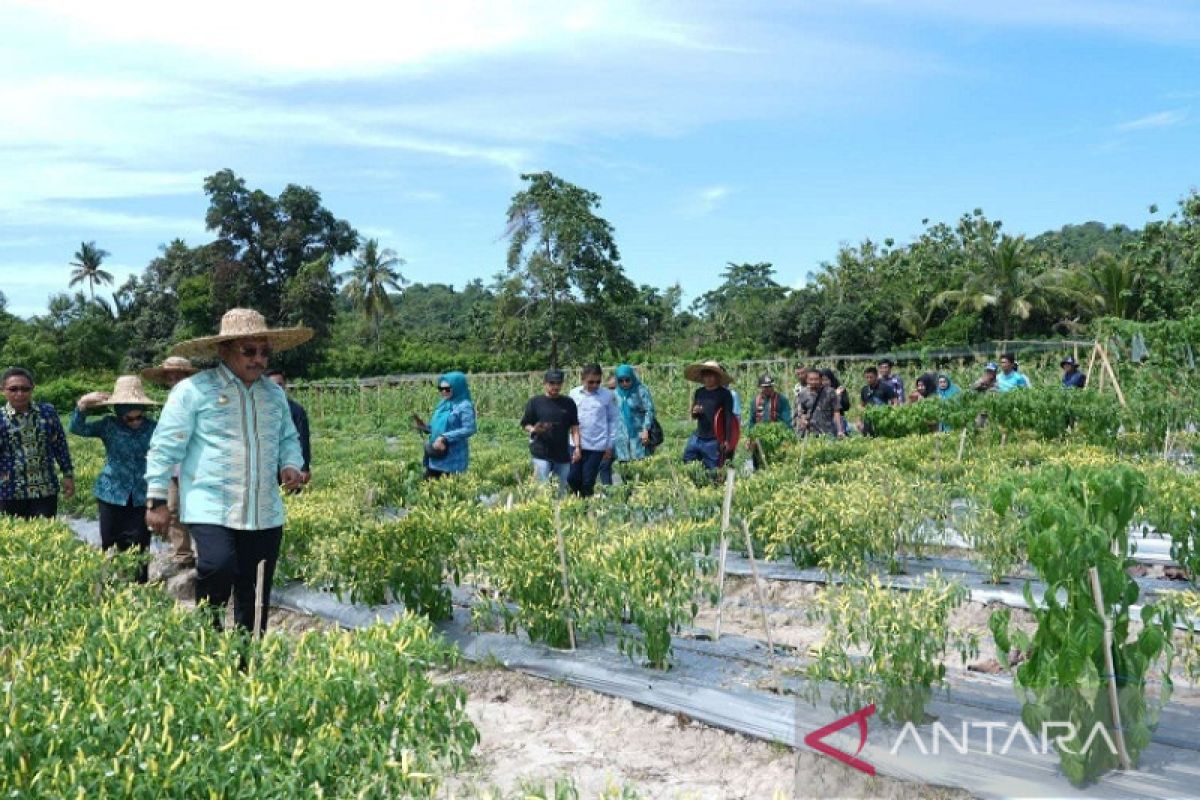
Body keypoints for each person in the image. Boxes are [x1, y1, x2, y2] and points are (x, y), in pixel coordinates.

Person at [144, 308, 308, 636]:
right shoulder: (193, 391)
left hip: (263, 510)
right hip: (211, 505)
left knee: (256, 586)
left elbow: (288, 437)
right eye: (249, 351)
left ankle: (247, 658)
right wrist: (157, 499)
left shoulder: (274, 394)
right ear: (224, 350)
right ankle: (211, 639)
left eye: (264, 352)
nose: (259, 359)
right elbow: (165, 447)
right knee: (216, 567)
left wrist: (291, 464)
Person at [70, 376, 158, 583]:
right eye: (129, 418)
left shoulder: (154, 427)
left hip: (141, 494)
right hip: (111, 493)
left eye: (139, 417)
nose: (136, 422)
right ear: (119, 412)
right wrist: (82, 405)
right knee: (109, 543)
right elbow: (77, 428)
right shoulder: (108, 425)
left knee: (140, 544)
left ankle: (140, 591)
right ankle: (108, 588)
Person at [141, 355, 199, 572]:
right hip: (174, 470)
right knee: (173, 510)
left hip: (195, 469)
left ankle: (208, 555)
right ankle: (183, 554)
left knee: (200, 511)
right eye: (170, 377)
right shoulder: (170, 402)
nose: (174, 380)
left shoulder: (196, 400)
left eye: (178, 376)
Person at [0, 367, 74, 519]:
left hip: (45, 488)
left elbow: (60, 445)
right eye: (13, 389)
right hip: (9, 490)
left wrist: (68, 475)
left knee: (45, 535)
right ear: (3, 390)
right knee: (13, 538)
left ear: (32, 389)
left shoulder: (47, 412)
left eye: (25, 389)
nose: (19, 394)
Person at [520, 369, 580, 490]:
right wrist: (534, 430)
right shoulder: (535, 402)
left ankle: (559, 508)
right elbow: (525, 423)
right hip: (541, 452)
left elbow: (574, 427)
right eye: (552, 383)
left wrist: (577, 447)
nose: (555, 386)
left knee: (561, 489)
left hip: (562, 453)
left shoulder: (569, 403)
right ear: (545, 384)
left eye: (558, 383)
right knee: (543, 488)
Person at [415, 371, 477, 479]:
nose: (444, 392)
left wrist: (444, 437)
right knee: (427, 488)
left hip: (453, 458)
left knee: (449, 490)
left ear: (458, 387)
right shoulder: (443, 404)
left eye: (447, 389)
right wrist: (426, 427)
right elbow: (440, 426)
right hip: (436, 455)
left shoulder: (464, 406)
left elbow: (469, 428)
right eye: (441, 389)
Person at [568, 364, 617, 498]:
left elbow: (612, 420)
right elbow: (569, 418)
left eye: (598, 382)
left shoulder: (606, 395)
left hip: (597, 445)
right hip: (576, 444)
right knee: (572, 477)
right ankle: (575, 500)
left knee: (588, 481)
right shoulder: (573, 394)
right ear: (582, 379)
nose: (595, 385)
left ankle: (585, 510)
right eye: (591, 382)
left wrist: (609, 444)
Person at [684, 360, 735, 470]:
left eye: (711, 375)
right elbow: (694, 415)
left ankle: (714, 486)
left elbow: (728, 417)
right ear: (702, 377)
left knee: (713, 469)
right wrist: (695, 411)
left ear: (717, 377)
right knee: (688, 459)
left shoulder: (725, 394)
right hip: (698, 436)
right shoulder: (699, 392)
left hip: (714, 439)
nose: (708, 378)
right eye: (706, 375)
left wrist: (726, 440)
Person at [266, 369, 313, 486]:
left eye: (279, 385)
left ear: (285, 386)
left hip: (291, 468)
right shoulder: (259, 411)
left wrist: (304, 468)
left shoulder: (296, 411)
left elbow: (303, 439)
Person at [613, 364, 656, 463]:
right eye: (621, 381)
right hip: (621, 437)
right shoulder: (615, 394)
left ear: (632, 377)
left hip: (639, 434)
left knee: (640, 465)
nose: (624, 383)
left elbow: (649, 410)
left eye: (627, 380)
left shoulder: (641, 390)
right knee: (625, 468)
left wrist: (646, 429)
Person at [795, 368, 844, 438]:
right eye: (811, 379)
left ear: (821, 379)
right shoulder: (803, 394)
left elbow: (836, 411)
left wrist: (840, 430)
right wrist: (803, 420)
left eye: (816, 379)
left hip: (828, 432)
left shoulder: (830, 392)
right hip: (811, 434)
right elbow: (801, 412)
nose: (813, 382)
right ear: (807, 380)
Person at [858, 365, 899, 436]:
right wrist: (859, 421)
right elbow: (862, 405)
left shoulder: (885, 387)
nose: (869, 379)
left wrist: (891, 414)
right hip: (868, 421)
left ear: (876, 376)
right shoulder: (864, 389)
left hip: (881, 420)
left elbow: (895, 401)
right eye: (867, 377)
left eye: (871, 377)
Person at [819, 368, 852, 435]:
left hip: (838, 420)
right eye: (822, 380)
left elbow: (846, 406)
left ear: (831, 379)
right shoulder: (819, 391)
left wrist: (838, 397)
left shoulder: (840, 389)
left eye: (826, 380)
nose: (824, 382)